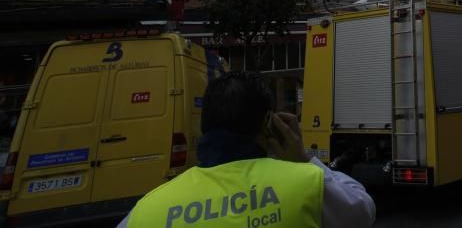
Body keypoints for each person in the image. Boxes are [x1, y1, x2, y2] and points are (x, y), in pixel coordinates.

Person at [117, 72, 375, 227]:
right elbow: (363, 211)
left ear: (204, 123)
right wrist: (303, 159)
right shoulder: (307, 184)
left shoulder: (146, 211)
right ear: (268, 123)